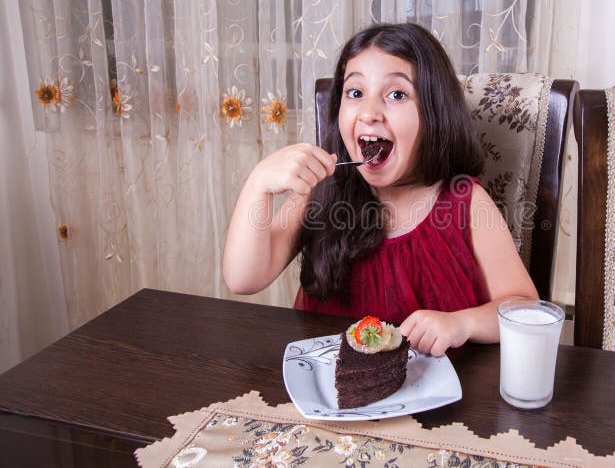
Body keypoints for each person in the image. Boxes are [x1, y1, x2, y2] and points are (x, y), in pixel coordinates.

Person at [223, 23, 537, 356]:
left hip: (439, 395)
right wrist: (258, 184)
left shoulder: (465, 202)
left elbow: (524, 309)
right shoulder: (319, 194)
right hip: (333, 394)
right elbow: (243, 279)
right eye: (355, 93)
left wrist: (463, 323)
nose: (369, 113)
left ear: (434, 115)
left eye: (397, 94)